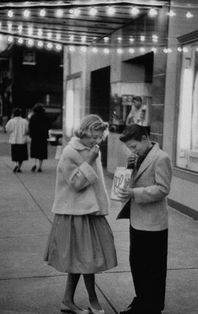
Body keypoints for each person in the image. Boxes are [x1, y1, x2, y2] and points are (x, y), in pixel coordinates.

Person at [44, 114, 117, 314]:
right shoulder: (70, 152)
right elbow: (76, 183)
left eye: (99, 137)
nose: (96, 141)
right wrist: (90, 161)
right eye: (93, 136)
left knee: (82, 258)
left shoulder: (91, 150)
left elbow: (96, 184)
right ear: (84, 131)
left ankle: (67, 300)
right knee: (87, 259)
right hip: (74, 213)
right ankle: (93, 301)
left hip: (90, 212)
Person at [117, 124, 172, 314]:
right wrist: (129, 168)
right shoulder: (137, 158)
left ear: (144, 138)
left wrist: (135, 193)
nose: (132, 150)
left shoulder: (161, 158)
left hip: (154, 223)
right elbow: (130, 182)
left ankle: (153, 305)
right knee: (137, 263)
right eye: (130, 148)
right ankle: (141, 299)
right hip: (137, 220)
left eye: (134, 146)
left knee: (153, 268)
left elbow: (163, 189)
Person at [5, 107, 29, 173]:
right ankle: (19, 166)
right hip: (22, 140)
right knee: (21, 155)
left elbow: (7, 128)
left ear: (13, 114)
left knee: (15, 154)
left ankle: (15, 164)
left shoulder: (11, 121)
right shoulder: (25, 121)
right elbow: (27, 130)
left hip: (14, 140)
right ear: (20, 114)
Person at [29, 103, 50, 172]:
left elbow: (30, 127)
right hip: (43, 137)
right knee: (42, 152)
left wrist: (31, 134)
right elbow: (49, 126)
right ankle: (40, 166)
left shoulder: (33, 117)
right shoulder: (46, 117)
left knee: (35, 151)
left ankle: (35, 164)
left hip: (35, 137)